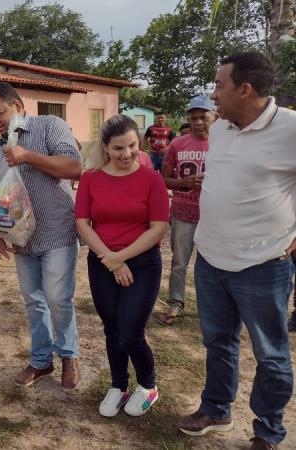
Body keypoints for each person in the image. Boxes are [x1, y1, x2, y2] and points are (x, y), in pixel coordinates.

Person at [176, 52, 296, 450]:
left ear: (245, 90)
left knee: (271, 356)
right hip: (211, 258)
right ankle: (216, 409)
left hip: (262, 265)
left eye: (218, 86)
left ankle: (268, 431)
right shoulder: (223, 129)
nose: (212, 96)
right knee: (218, 342)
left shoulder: (291, 130)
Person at [0, 82, 82, 390]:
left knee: (57, 298)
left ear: (19, 106)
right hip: (22, 238)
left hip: (57, 231)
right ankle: (41, 361)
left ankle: (68, 356)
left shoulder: (50, 126)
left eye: (0, 112)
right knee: (33, 300)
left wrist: (27, 156)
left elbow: (74, 167)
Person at [76, 115, 169, 417]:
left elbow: (158, 228)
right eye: (118, 148)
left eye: (132, 145)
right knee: (112, 328)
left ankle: (148, 385)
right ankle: (119, 385)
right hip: (102, 260)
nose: (126, 154)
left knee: (131, 330)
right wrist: (111, 260)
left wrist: (122, 258)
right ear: (105, 147)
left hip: (143, 263)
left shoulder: (152, 179)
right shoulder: (90, 178)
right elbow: (83, 224)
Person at [157, 95, 215, 326]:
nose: (198, 121)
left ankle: (210, 308)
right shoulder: (178, 145)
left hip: (215, 214)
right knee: (179, 262)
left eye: (203, 116)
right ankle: (175, 304)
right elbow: (165, 179)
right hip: (184, 211)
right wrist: (185, 183)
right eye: (193, 117)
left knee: (212, 263)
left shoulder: (225, 142)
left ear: (214, 116)